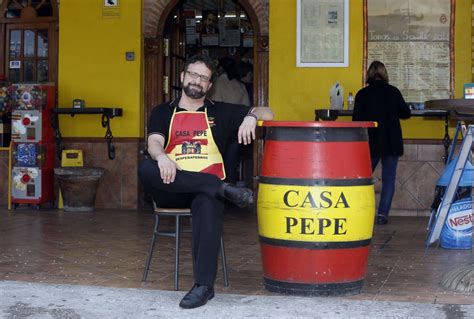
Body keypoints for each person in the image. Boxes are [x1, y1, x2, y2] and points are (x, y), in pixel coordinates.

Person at [138, 54, 273, 309]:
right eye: (193, 75)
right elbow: (154, 142)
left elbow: (270, 111)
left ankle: (203, 286)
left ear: (209, 85)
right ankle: (221, 188)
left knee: (208, 202)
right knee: (146, 167)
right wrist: (162, 157)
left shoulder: (220, 111)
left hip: (203, 193)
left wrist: (251, 117)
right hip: (172, 185)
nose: (197, 81)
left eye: (203, 78)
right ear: (182, 77)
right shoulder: (163, 111)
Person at [352, 60, 411, 226]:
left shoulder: (362, 94)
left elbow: (356, 120)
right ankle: (382, 214)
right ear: (384, 74)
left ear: (369, 74)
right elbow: (406, 113)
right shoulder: (393, 92)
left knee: (363, 179)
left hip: (370, 142)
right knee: (389, 179)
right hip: (391, 142)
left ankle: (362, 212)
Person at [208, 57, 250, 185]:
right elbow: (247, 107)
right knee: (231, 161)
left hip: (214, 125)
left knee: (211, 159)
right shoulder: (240, 86)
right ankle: (230, 190)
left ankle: (212, 187)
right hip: (235, 129)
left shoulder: (213, 83)